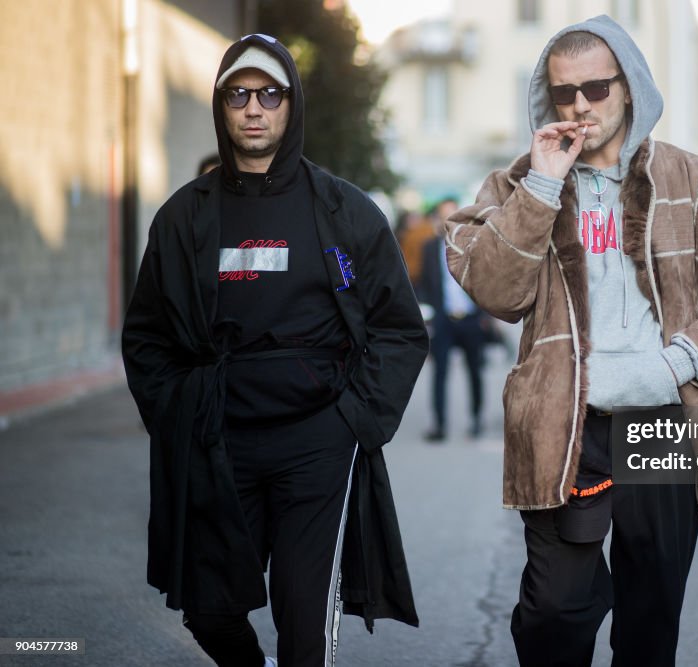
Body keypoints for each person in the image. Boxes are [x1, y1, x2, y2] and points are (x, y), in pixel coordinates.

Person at [444, 15, 698, 666]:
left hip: (663, 422)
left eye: (596, 88)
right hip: (565, 424)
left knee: (651, 617)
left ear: (628, 87)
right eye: (564, 91)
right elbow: (494, 289)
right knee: (552, 615)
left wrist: (679, 360)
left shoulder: (693, 179)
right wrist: (542, 185)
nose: (579, 105)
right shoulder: (519, 183)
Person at [121, 33, 428, 667]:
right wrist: (179, 417)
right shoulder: (182, 219)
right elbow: (146, 337)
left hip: (318, 442)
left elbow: (399, 327)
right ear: (220, 106)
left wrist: (355, 419)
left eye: (270, 93)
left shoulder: (345, 211)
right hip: (216, 439)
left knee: (304, 617)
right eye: (239, 94)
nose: (254, 107)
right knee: (209, 610)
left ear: (292, 104)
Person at [416, 197, 487, 442]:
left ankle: (476, 419)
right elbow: (423, 284)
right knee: (440, 373)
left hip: (470, 319)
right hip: (443, 320)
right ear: (437, 219)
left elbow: (485, 282)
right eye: (444, 215)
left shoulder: (473, 245)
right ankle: (439, 424)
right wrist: (428, 315)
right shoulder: (428, 248)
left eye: (454, 214)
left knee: (475, 371)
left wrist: (485, 316)